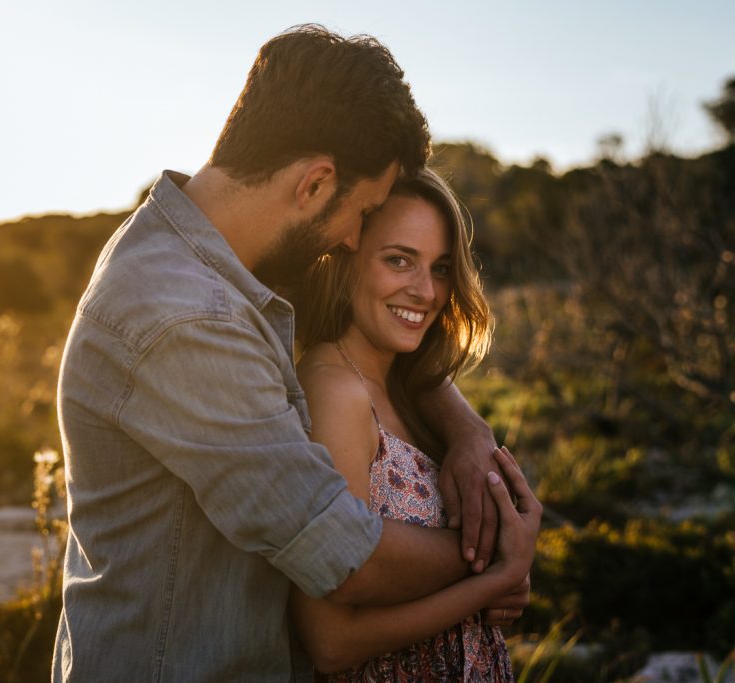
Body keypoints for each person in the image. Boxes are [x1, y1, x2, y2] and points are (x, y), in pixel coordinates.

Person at [54, 25, 523, 681]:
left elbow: (379, 337)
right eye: (360, 213)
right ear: (314, 183)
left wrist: (466, 430)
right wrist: (497, 548)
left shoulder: (216, 254)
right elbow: (344, 554)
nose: (353, 238)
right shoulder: (187, 317)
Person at [289, 168, 540, 681]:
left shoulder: (409, 381)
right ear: (347, 257)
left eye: (442, 267)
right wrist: (498, 573)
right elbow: (331, 642)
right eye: (399, 260)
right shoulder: (337, 392)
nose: (426, 291)